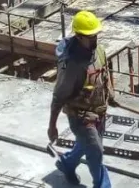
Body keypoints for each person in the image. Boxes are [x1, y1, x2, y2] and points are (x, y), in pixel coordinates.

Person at [49, 10, 115, 188]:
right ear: (78, 37)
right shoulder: (72, 64)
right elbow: (59, 96)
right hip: (81, 116)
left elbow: (105, 75)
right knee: (96, 151)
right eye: (90, 37)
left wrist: (111, 95)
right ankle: (102, 185)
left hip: (99, 111)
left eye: (95, 35)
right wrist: (52, 125)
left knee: (87, 144)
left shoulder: (99, 51)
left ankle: (67, 163)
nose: (94, 39)